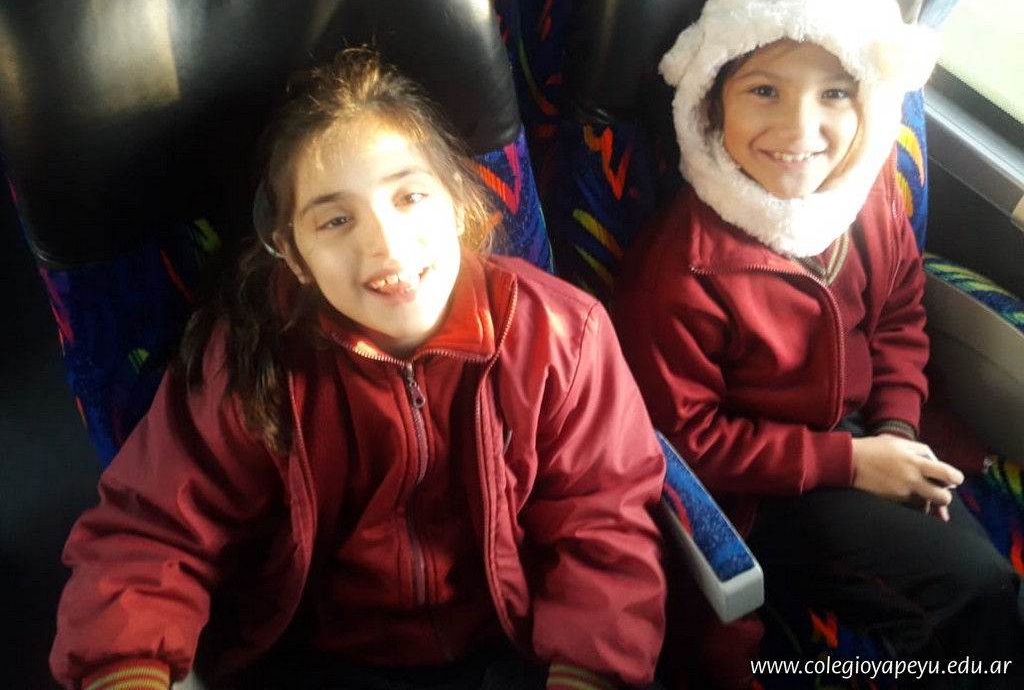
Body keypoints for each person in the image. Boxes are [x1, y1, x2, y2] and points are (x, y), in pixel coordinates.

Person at [50, 47, 667, 690]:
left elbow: (605, 524)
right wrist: (124, 668)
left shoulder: (562, 336)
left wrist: (585, 671)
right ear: (293, 254)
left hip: (510, 641)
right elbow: (154, 533)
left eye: (410, 197)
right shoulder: (252, 355)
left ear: (458, 204)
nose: (385, 245)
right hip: (316, 655)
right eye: (337, 220)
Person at [611, 0, 1024, 690]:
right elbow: (684, 440)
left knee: (983, 583)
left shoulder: (868, 202)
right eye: (764, 90)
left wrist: (897, 428)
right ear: (710, 104)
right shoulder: (682, 268)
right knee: (973, 593)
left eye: (835, 93)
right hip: (761, 490)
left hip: (864, 436)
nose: (800, 130)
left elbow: (898, 318)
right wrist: (852, 464)